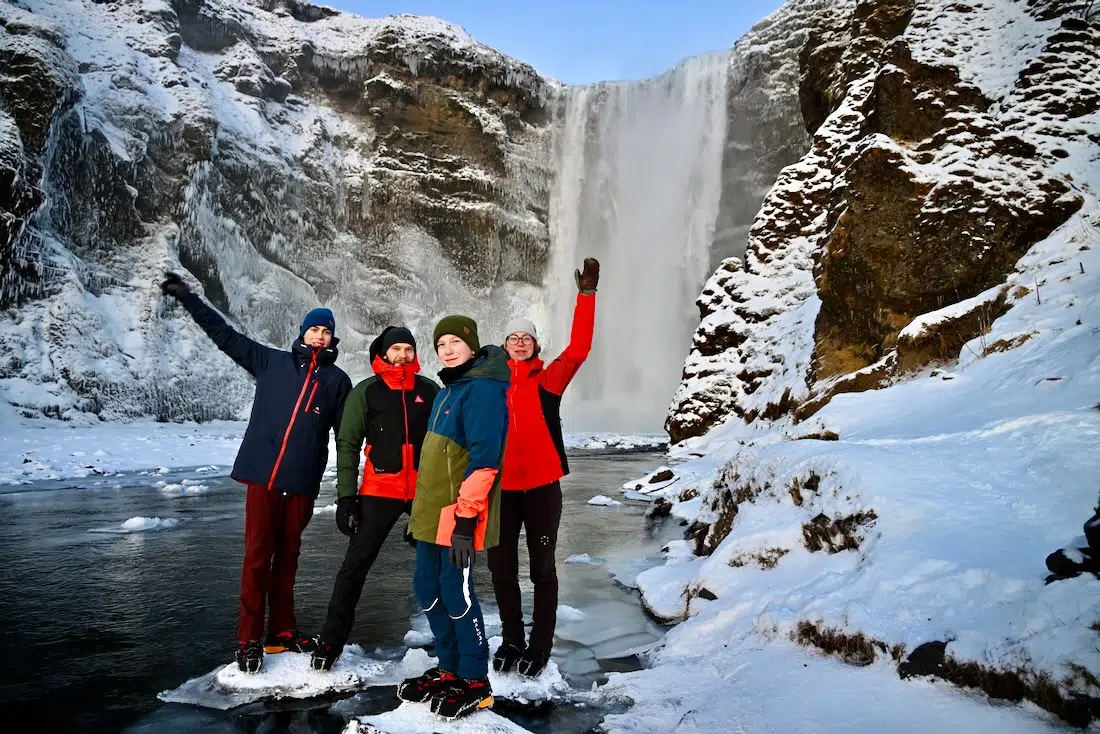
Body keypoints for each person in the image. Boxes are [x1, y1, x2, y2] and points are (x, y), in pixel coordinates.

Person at [160, 272, 351, 674]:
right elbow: (224, 335)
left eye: (325, 332)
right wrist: (190, 299)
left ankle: (282, 632)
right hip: (263, 478)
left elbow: (347, 433)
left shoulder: (337, 381)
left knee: (289, 559)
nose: (319, 336)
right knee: (256, 559)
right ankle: (248, 640)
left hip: (301, 483)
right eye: (314, 329)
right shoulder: (271, 362)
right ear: (303, 332)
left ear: (333, 339)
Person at [488, 258, 599, 677]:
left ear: (535, 346)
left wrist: (586, 296)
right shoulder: (489, 385)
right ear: (504, 345)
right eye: (513, 338)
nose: (520, 343)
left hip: (541, 487)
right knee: (501, 569)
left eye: (526, 338)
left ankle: (539, 644)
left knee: (542, 568)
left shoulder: (547, 381)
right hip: (499, 489)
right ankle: (512, 639)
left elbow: (580, 350)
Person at [397, 316, 509, 720]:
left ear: (472, 345)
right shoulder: (449, 391)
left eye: (454, 341)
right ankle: (449, 668)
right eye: (440, 342)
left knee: (456, 592)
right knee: (427, 588)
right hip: (431, 516)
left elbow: (484, 461)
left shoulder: (481, 390)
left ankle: (475, 677)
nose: (446, 348)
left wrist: (465, 520)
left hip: (459, 515)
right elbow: (434, 464)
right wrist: (418, 519)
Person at [311, 327, 439, 671]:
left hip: (425, 494)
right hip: (379, 491)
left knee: (444, 565)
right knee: (354, 567)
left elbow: (446, 445)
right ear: (382, 354)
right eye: (395, 349)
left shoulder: (429, 390)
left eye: (408, 349)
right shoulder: (366, 392)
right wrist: (347, 498)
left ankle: (452, 642)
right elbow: (348, 445)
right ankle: (330, 642)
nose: (402, 355)